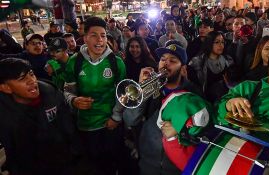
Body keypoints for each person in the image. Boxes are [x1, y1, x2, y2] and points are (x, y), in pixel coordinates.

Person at [123, 43, 203, 175]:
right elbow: (130, 120)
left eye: (172, 61)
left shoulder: (193, 93)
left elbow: (200, 131)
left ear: (182, 68)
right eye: (163, 59)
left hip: (177, 165)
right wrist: (141, 90)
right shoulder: (150, 88)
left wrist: (179, 130)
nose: (165, 64)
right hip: (148, 161)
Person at [63, 16, 127, 175]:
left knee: (112, 163)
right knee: (93, 164)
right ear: (85, 38)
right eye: (94, 35)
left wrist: (116, 117)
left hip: (110, 124)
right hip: (85, 124)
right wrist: (74, 100)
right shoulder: (74, 62)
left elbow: (125, 93)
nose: (100, 39)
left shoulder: (116, 62)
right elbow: (67, 91)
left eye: (103, 35)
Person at [0, 58, 75, 175]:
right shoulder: (4, 112)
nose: (32, 81)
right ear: (6, 87)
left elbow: (68, 127)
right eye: (22, 79)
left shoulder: (51, 93)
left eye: (31, 74)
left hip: (61, 162)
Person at [189, 31, 233, 102]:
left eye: (222, 42)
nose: (221, 45)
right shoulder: (198, 62)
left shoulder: (227, 60)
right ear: (209, 43)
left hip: (226, 99)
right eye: (217, 42)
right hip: (207, 100)